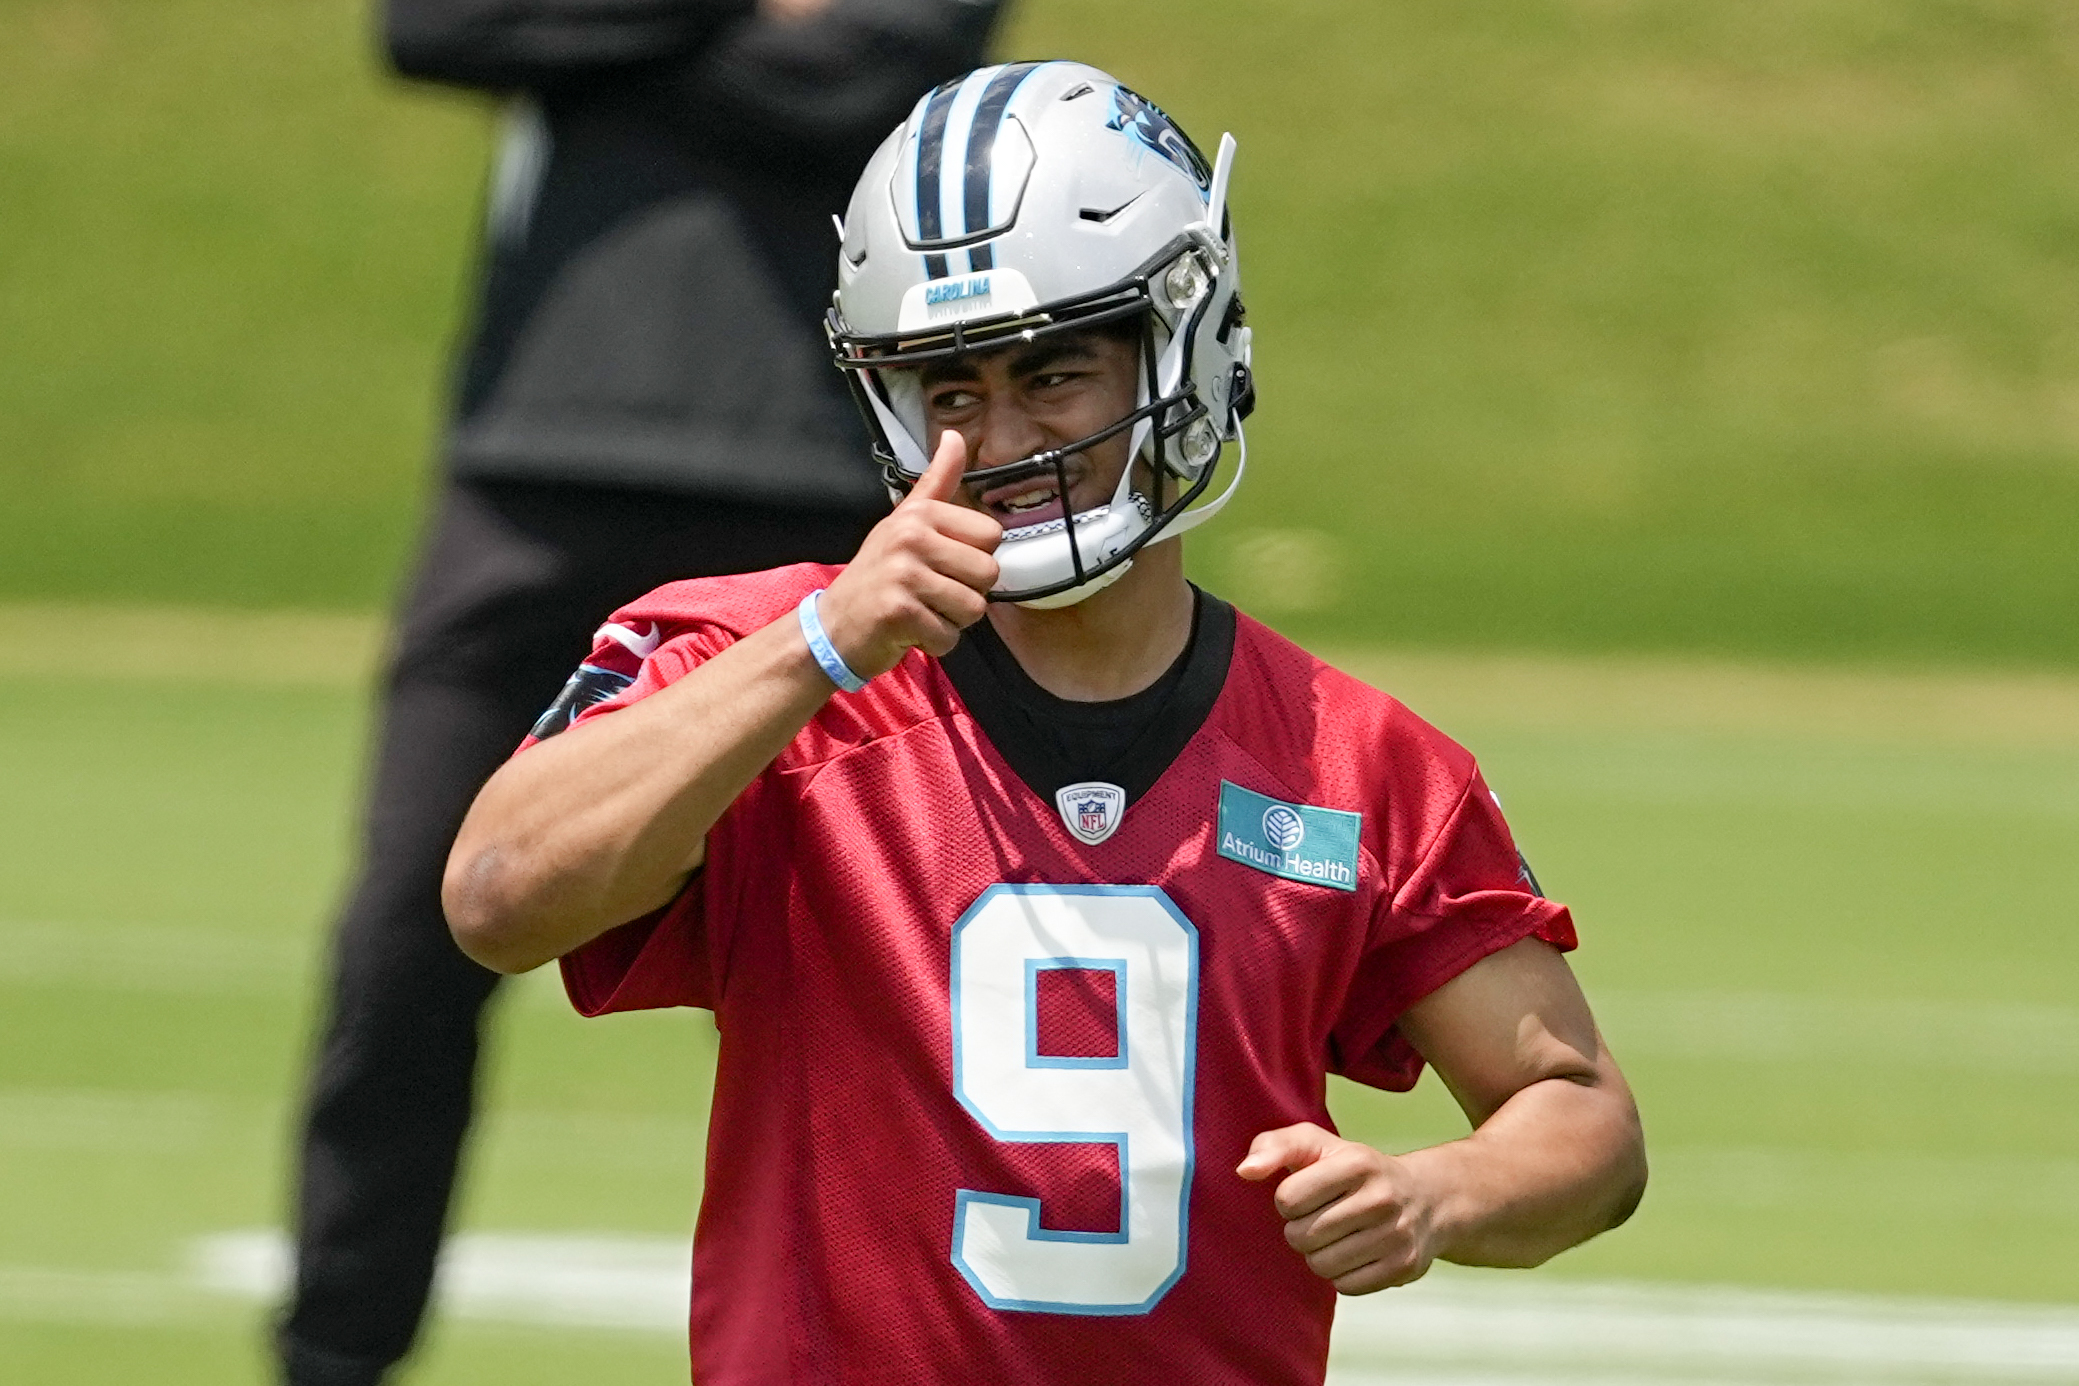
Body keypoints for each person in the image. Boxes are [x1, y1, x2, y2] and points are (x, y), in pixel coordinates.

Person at [443, 60, 1648, 1384]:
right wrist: (822, 646)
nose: (1002, 437)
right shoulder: (764, 666)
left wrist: (1436, 1196)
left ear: (1179, 344)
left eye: (1055, 373)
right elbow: (497, 895)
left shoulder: (1356, 761)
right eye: (950, 392)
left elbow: (1579, 1117)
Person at [279, 3, 1008, 1383]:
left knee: (911, 959)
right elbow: (434, 28)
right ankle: (333, 1357)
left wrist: (609, 42)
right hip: (536, 464)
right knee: (405, 933)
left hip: (823, 481)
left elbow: (855, 68)